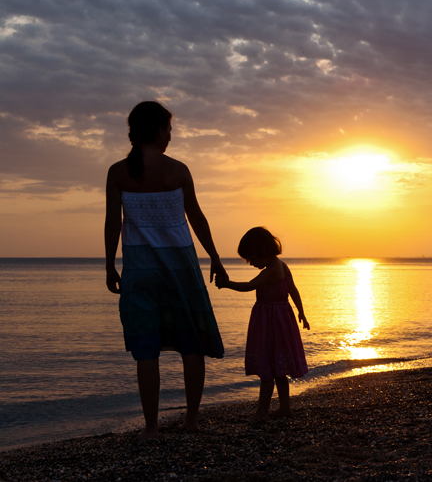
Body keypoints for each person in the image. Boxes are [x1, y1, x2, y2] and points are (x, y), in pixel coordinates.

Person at [104, 101, 227, 439]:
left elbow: (112, 223)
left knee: (147, 349)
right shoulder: (178, 169)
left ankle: (152, 427)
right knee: (191, 345)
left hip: (139, 268)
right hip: (181, 269)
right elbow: (196, 217)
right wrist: (214, 256)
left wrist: (109, 264)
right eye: (169, 129)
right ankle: (191, 421)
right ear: (159, 130)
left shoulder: (118, 171)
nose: (170, 136)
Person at [215, 227, 310, 420]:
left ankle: (262, 412)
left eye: (252, 258)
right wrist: (301, 312)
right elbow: (293, 290)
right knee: (279, 370)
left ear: (262, 251)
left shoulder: (270, 272)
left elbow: (249, 286)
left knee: (267, 367)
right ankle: (285, 408)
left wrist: (227, 284)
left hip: (270, 324)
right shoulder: (283, 265)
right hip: (282, 321)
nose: (251, 264)